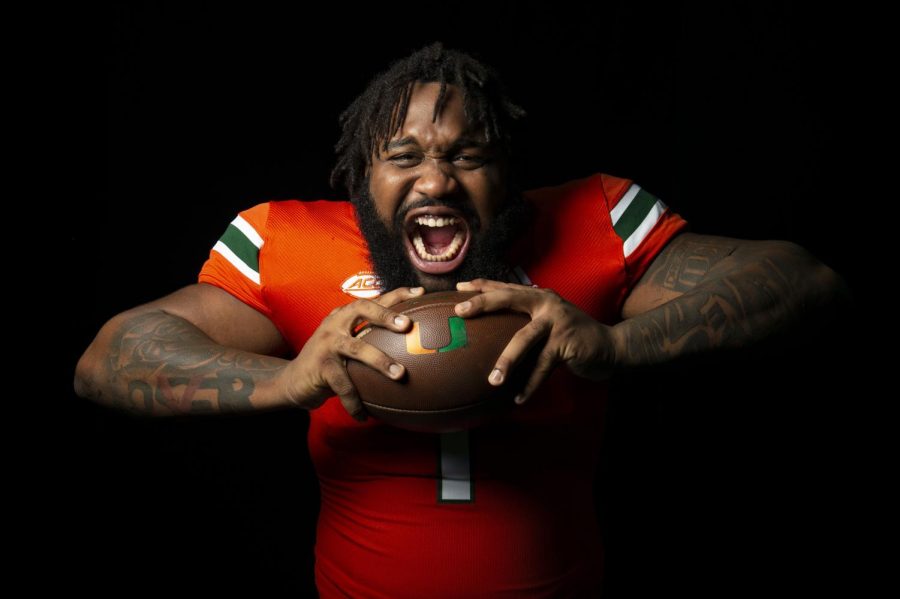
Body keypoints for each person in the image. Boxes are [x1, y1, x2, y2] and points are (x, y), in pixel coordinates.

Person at [76, 42, 849, 597]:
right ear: (359, 178)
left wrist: (617, 342)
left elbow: (804, 283)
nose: (436, 179)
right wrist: (284, 379)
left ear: (506, 172)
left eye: (468, 155)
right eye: (403, 156)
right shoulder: (290, 240)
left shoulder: (595, 219)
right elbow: (108, 358)